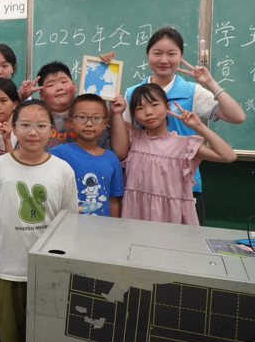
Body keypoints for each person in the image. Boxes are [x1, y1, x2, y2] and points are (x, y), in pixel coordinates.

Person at [109, 27, 245, 224]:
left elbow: (237, 117)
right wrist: (107, 67)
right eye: (157, 53)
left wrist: (209, 82)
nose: (164, 60)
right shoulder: (134, 93)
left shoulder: (192, 91)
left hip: (183, 189)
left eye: (172, 54)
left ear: (181, 56)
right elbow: (122, 144)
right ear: (147, 54)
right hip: (142, 188)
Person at [0, 99, 78, 342]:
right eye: (25, 125)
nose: (33, 132)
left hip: (48, 269)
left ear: (51, 130)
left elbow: (69, 219)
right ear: (13, 128)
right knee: (10, 339)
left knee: (44, 340)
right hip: (6, 267)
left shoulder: (63, 170)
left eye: (41, 125)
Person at [110, 84, 236, 225]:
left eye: (155, 105)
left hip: (171, 217)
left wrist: (198, 126)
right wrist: (117, 113)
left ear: (167, 107)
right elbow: (120, 152)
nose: (148, 112)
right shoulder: (134, 137)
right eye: (140, 108)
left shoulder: (184, 145)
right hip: (137, 213)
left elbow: (228, 156)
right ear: (133, 114)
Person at [50, 94, 124, 217]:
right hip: (67, 226)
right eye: (82, 117)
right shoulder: (58, 154)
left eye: (96, 118)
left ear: (105, 123)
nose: (89, 123)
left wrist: (114, 227)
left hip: (101, 227)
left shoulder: (112, 159)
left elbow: (113, 201)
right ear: (70, 122)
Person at [36, 61, 110, 150]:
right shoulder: (37, 117)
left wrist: (104, 63)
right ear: (41, 94)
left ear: (74, 86)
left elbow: (120, 152)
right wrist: (23, 96)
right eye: (51, 85)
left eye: (64, 82)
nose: (59, 88)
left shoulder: (95, 113)